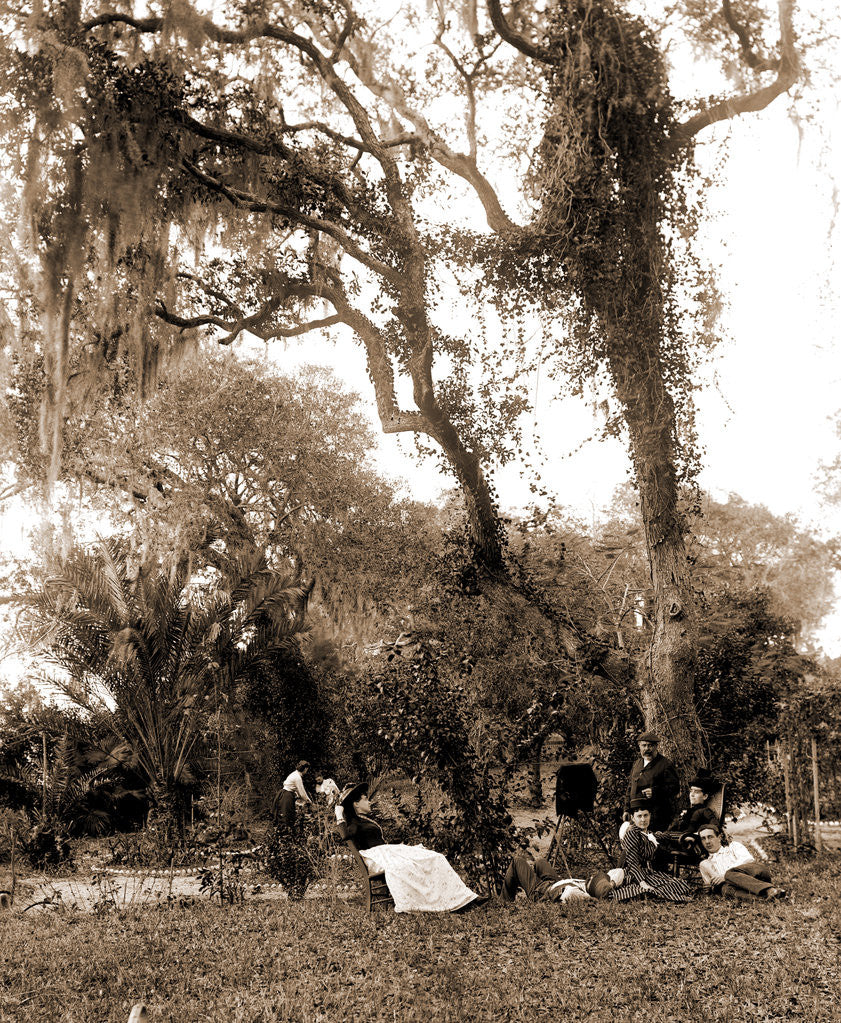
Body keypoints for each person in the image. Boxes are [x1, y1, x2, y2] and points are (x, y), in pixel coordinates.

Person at [335, 782, 482, 913]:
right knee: (421, 862)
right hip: (379, 858)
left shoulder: (363, 820)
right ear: (356, 804)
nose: (369, 802)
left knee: (435, 857)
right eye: (365, 799)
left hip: (386, 853)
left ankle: (462, 898)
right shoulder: (354, 824)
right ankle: (449, 901)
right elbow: (345, 836)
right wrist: (338, 814)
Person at [611, 799, 694, 903]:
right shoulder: (632, 833)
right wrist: (642, 882)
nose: (643, 819)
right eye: (639, 816)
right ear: (633, 817)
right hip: (634, 873)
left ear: (650, 815)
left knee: (679, 884)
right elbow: (633, 862)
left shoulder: (646, 833)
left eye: (645, 815)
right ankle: (645, 893)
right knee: (649, 889)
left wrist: (685, 836)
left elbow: (664, 835)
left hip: (648, 872)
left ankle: (652, 894)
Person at [698, 823, 786, 900]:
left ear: (719, 837)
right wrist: (709, 889)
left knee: (729, 874)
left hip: (756, 875)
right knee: (725, 889)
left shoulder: (733, 846)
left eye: (710, 837)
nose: (707, 842)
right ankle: (764, 898)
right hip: (738, 886)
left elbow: (748, 860)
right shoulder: (707, 864)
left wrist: (725, 876)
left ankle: (769, 890)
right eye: (703, 838)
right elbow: (711, 889)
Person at [654, 768, 721, 863]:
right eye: (691, 791)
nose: (692, 795)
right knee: (653, 841)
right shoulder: (688, 811)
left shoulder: (705, 811)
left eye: (696, 792)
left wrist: (696, 836)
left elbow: (715, 827)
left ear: (705, 796)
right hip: (677, 841)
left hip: (690, 847)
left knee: (655, 840)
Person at [502, 853, 625, 903]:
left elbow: (569, 894)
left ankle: (504, 902)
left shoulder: (578, 893)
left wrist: (591, 899)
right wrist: (612, 884)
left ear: (592, 887)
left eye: (593, 879)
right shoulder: (587, 885)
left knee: (517, 862)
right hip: (556, 883)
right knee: (540, 862)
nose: (591, 877)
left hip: (541, 892)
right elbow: (619, 872)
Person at [624, 731, 680, 832]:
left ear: (656, 746)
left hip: (656, 816)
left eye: (650, 746)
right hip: (637, 816)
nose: (646, 749)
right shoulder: (637, 763)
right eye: (644, 745)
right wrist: (627, 809)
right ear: (639, 746)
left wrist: (655, 792)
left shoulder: (665, 764)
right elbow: (630, 787)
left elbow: (675, 787)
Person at [276, 760, 313, 825]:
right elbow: (302, 793)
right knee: (286, 816)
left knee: (287, 815)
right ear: (305, 769)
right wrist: (310, 802)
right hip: (286, 796)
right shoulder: (297, 777)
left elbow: (298, 791)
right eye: (307, 769)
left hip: (286, 794)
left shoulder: (295, 773)